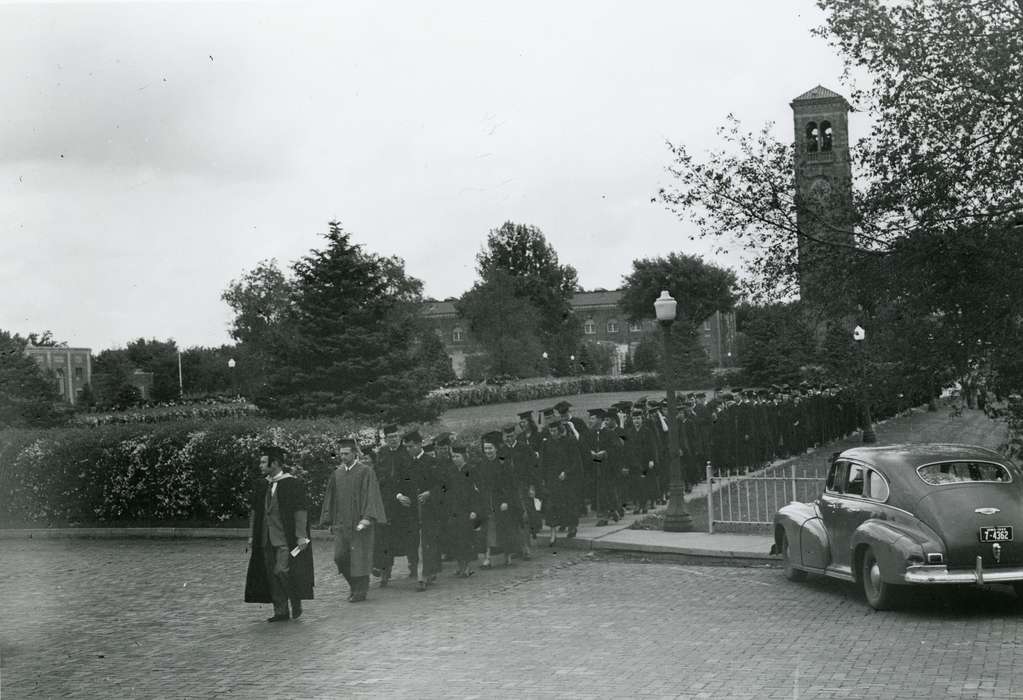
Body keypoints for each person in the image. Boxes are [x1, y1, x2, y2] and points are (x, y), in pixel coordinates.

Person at [244, 444, 314, 622]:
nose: (260, 465)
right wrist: (252, 535)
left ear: (274, 464)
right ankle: (281, 611)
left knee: (282, 570)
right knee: (271, 575)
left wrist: (300, 535)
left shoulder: (292, 484)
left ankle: (295, 599)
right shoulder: (262, 485)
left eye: (263, 462)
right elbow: (255, 512)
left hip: (285, 539)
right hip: (266, 538)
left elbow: (300, 511)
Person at [319, 438, 387, 602]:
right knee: (340, 557)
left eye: (346, 454)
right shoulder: (337, 473)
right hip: (342, 524)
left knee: (360, 557)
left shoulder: (365, 471)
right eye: (341, 454)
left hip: (360, 523)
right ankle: (353, 585)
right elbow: (331, 499)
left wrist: (367, 518)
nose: (343, 457)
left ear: (355, 453)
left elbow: (372, 495)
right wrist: (329, 521)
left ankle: (361, 590)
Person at [397, 430, 443, 591]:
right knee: (415, 543)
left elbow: (442, 485)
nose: (408, 450)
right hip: (411, 511)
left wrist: (430, 493)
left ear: (418, 445)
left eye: (410, 446)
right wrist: (400, 496)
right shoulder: (405, 463)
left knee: (427, 542)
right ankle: (426, 572)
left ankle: (422, 576)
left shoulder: (431, 462)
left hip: (429, 510)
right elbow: (399, 484)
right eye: (406, 447)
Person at [476, 431, 521, 567]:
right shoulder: (482, 464)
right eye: (486, 449)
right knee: (489, 530)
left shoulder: (503, 463)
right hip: (488, 502)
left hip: (502, 502)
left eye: (490, 448)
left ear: (496, 448)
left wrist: (507, 501)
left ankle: (507, 557)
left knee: (505, 530)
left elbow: (511, 485)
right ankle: (488, 558)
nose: (488, 451)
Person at [372, 424, 408, 587]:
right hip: (388, 501)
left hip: (405, 502)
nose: (393, 440)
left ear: (399, 436)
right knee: (384, 537)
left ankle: (414, 565)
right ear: (386, 439)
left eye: (395, 436)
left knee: (405, 536)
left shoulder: (406, 452)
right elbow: (380, 475)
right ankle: (385, 572)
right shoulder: (383, 453)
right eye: (389, 437)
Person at [442, 445, 482, 577]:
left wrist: (475, 510)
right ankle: (460, 566)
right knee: (455, 539)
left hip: (467, 509)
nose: (454, 459)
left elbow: (476, 492)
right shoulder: (450, 471)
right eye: (453, 456)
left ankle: (467, 567)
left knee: (466, 538)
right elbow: (446, 490)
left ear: (464, 456)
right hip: (453, 510)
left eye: (457, 456)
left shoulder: (471, 470)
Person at [540, 419, 581, 545]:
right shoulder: (547, 444)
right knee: (551, 505)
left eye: (554, 431)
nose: (552, 433)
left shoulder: (569, 442)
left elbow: (575, 461)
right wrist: (543, 478)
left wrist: (566, 472)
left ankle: (572, 526)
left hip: (567, 479)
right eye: (551, 431)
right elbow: (544, 462)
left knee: (569, 503)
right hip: (552, 479)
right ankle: (553, 534)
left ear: (560, 430)